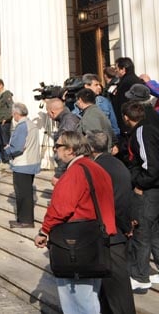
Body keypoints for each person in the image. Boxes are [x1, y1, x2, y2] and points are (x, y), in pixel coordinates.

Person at [34, 131, 116, 314]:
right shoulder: (96, 168)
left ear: (70, 150)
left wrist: (44, 231)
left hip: (76, 243)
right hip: (95, 239)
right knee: (90, 297)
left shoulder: (75, 172)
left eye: (58, 146)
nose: (56, 150)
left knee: (77, 301)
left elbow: (60, 208)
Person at [87, 130, 136, 313]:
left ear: (91, 147)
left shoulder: (98, 168)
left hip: (111, 232)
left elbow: (112, 202)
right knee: (111, 286)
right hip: (118, 228)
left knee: (117, 287)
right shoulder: (118, 165)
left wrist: (124, 226)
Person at [121, 101, 159, 292]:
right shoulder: (151, 128)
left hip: (148, 189)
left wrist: (140, 184)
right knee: (155, 232)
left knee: (141, 231)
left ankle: (139, 276)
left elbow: (150, 164)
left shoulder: (141, 132)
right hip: (155, 189)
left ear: (126, 118)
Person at [3, 103, 40, 228]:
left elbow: (17, 147)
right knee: (26, 192)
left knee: (22, 194)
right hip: (31, 162)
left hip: (23, 164)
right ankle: (25, 219)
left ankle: (25, 221)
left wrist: (8, 149)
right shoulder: (31, 124)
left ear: (15, 114)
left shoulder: (21, 126)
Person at [46, 98, 80, 183]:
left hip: (71, 167)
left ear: (52, 112)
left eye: (48, 113)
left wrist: (59, 174)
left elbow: (66, 150)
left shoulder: (68, 121)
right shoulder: (67, 119)